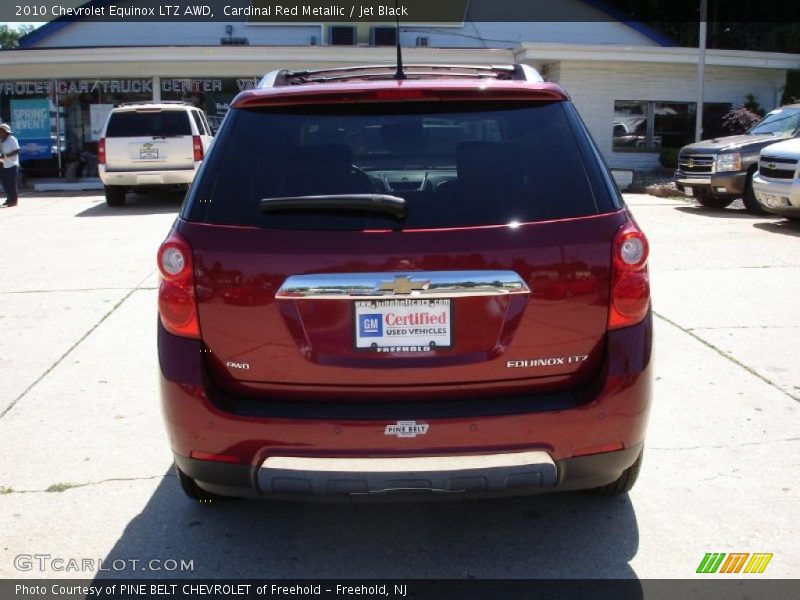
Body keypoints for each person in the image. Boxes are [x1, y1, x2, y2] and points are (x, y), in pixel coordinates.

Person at [0, 123, 20, 208]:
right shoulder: (0, 140)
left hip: (12, 164)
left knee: (11, 183)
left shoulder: (12, 139)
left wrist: (6, 156)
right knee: (5, 183)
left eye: (2, 131)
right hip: (3, 164)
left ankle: (13, 200)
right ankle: (8, 199)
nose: (0, 132)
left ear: (6, 132)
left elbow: (17, 150)